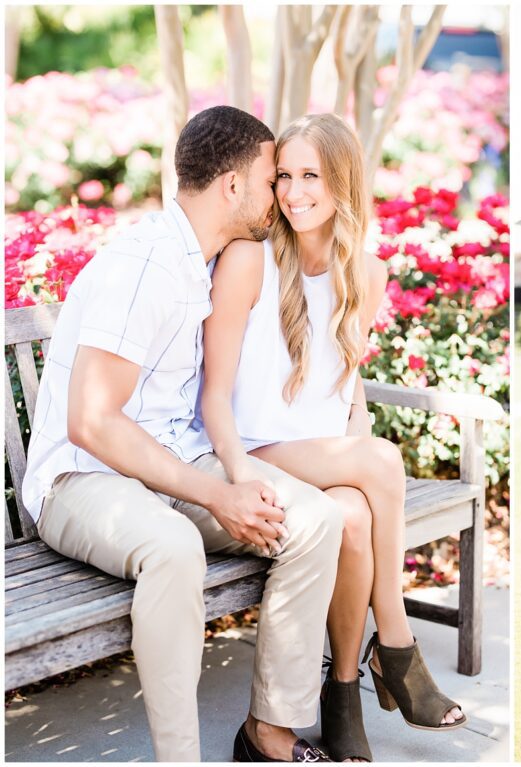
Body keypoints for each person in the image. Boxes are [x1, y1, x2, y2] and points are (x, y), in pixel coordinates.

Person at [22, 105, 340, 762]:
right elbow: (92, 421)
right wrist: (216, 493)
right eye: (268, 178)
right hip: (84, 478)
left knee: (314, 519)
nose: (278, 193)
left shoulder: (204, 259)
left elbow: (202, 403)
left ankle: (268, 734)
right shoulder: (143, 267)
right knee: (172, 548)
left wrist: (236, 477)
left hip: (172, 461)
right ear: (232, 187)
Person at [189, 113, 464, 762]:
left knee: (357, 516)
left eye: (310, 175)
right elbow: (213, 395)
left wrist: (361, 466)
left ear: (343, 183)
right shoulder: (249, 259)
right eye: (283, 174)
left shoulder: (364, 275)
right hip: (250, 454)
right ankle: (393, 644)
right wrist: (239, 472)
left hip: (321, 461)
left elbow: (347, 398)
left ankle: (343, 692)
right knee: (382, 461)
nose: (292, 191)